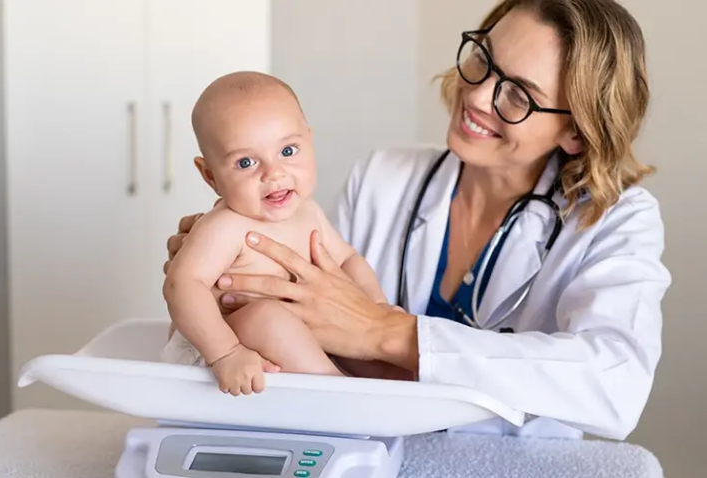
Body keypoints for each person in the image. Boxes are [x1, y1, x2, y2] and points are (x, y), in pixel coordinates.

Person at [164, 0, 671, 441]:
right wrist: (228, 275)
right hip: (361, 442)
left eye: (517, 93)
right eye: (483, 60)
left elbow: (616, 383)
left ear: (577, 132)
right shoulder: (385, 177)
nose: (475, 96)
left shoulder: (616, 220)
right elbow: (306, 320)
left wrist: (388, 331)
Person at [162, 71, 389, 397]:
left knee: (360, 341)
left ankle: (382, 379)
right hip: (216, 349)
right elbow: (181, 284)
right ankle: (338, 390)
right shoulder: (226, 225)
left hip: (292, 345)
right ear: (210, 176)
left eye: (287, 151)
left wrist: (377, 308)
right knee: (267, 317)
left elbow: (349, 260)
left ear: (309, 141)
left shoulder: (308, 212)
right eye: (245, 162)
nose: (274, 173)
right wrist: (225, 352)